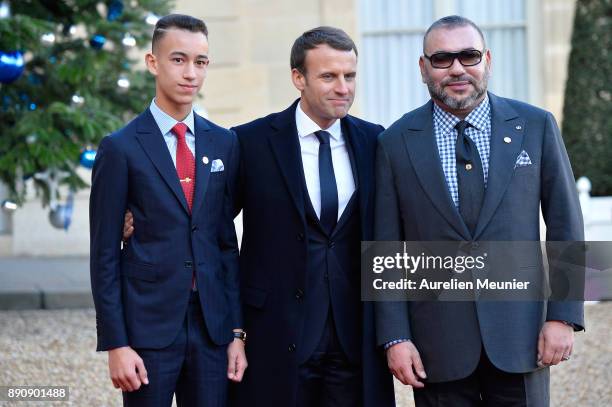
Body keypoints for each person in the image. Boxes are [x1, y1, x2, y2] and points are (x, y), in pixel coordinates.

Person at [374, 15, 584, 406]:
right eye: (442, 59)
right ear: (423, 68)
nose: (457, 68)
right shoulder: (395, 142)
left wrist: (563, 317)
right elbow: (384, 248)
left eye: (468, 56)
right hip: (438, 346)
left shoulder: (536, 126)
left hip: (523, 339)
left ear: (487, 59)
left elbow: (566, 224)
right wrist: (396, 337)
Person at [89, 14, 246, 407]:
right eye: (178, 60)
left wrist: (236, 332)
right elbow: (104, 254)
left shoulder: (224, 143)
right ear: (153, 63)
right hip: (147, 330)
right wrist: (116, 344)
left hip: (212, 329)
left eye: (201, 61)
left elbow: (226, 245)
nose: (191, 72)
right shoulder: (120, 148)